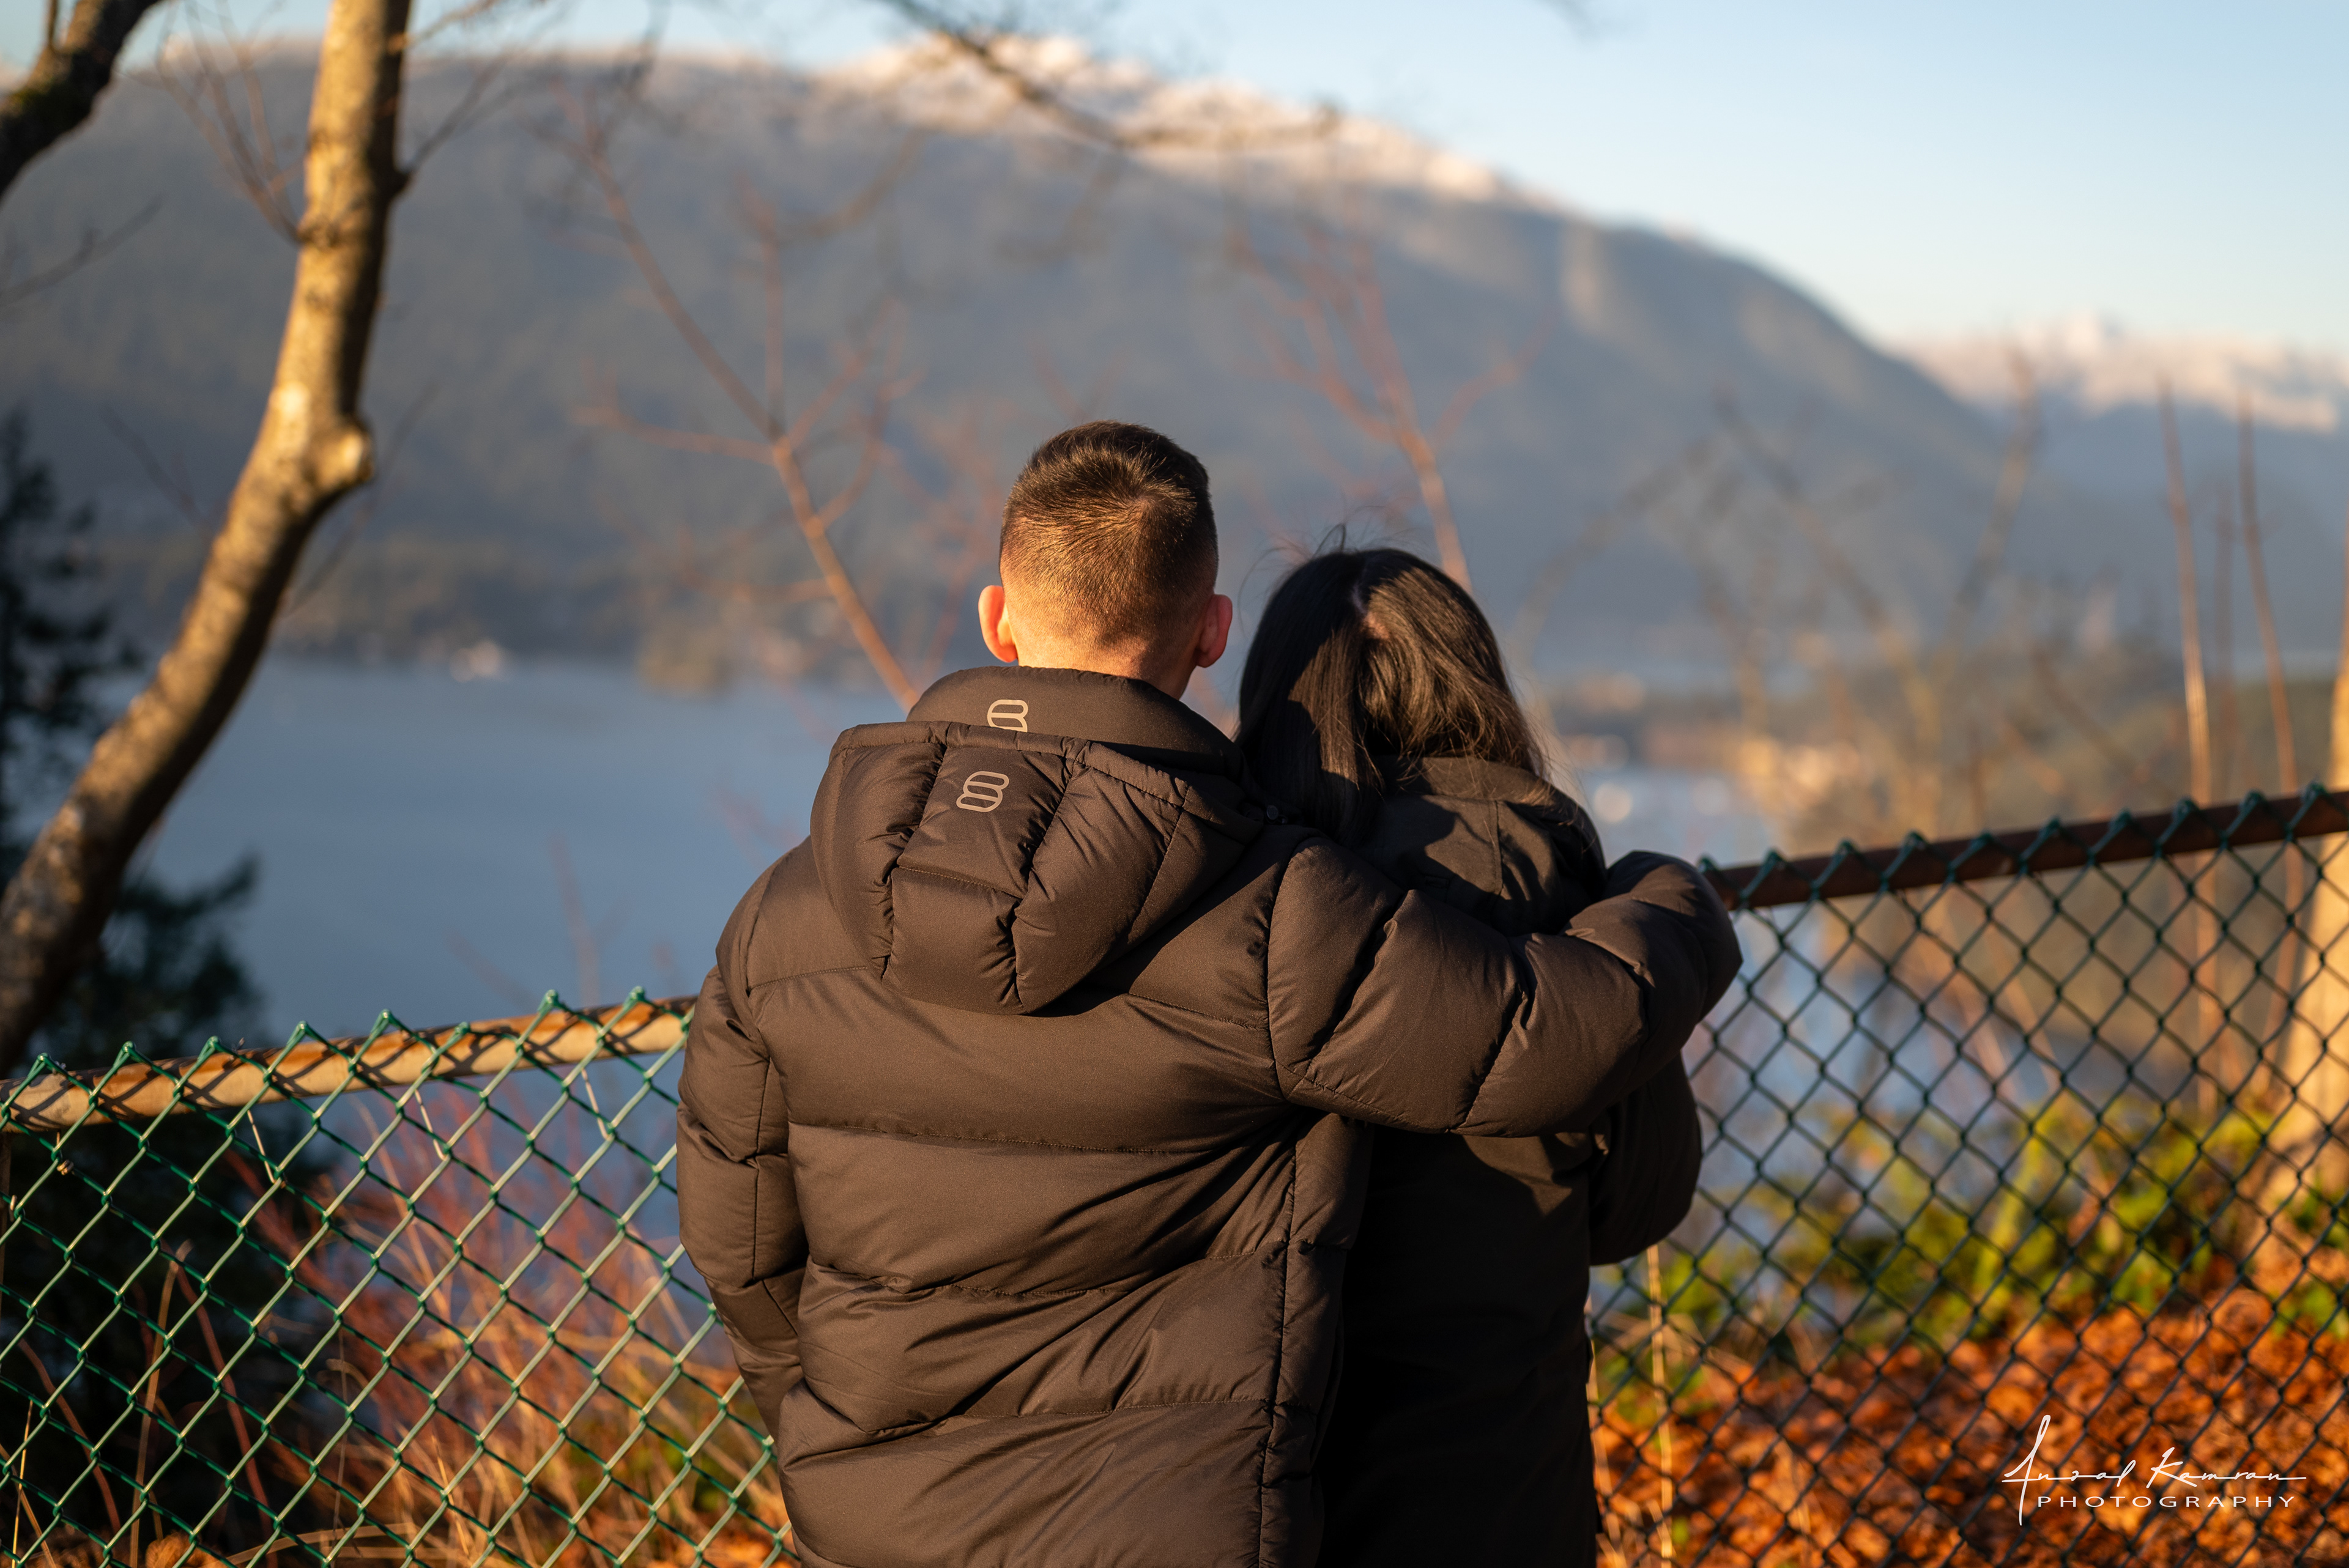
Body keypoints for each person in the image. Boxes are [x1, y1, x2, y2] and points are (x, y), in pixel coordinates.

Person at [675, 421, 1740, 1568]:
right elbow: (1535, 1039)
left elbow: (742, 1248)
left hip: (877, 1522)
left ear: (997, 614)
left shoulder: (780, 919)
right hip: (1161, 1523)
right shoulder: (1264, 912)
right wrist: (1669, 900)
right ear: (1210, 633)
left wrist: (846, 1419)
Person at [1235, 545, 1707, 1567]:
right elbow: (1642, 1198)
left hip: (1265, 1478)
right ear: (1476, 685)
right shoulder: (1571, 905)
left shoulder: (1235, 901)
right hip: (1507, 1480)